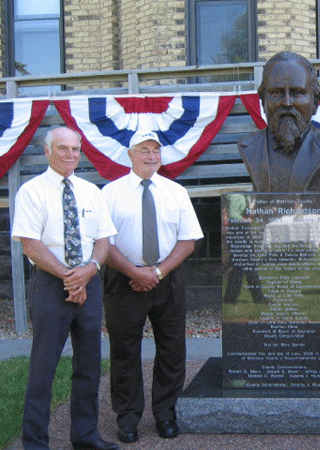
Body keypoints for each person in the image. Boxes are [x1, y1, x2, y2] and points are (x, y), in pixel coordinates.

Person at [12, 127, 119, 450]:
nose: (71, 155)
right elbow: (31, 245)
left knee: (88, 365)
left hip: (89, 281)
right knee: (43, 367)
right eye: (63, 149)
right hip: (50, 284)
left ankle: (85, 437)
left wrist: (88, 270)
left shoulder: (91, 192)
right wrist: (69, 277)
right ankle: (34, 442)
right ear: (48, 151)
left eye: (76, 149)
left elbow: (103, 240)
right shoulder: (31, 192)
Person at [102, 130, 203, 443]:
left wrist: (156, 273)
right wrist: (135, 271)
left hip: (167, 278)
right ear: (130, 154)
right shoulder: (109, 192)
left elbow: (187, 241)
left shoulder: (176, 191)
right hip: (123, 278)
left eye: (156, 151)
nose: (151, 156)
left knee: (172, 349)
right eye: (144, 150)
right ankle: (128, 418)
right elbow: (103, 242)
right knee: (124, 351)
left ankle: (166, 414)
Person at [238, 51, 320, 192]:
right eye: (277, 93)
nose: (287, 103)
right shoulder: (248, 147)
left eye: (297, 92)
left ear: (315, 103)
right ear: (263, 102)